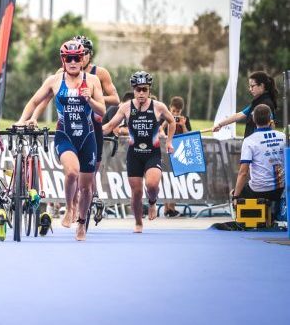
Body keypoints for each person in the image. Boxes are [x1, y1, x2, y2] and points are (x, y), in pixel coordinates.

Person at [16, 40, 106, 241]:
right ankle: (70, 206)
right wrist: (22, 120)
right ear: (63, 60)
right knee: (72, 172)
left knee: (86, 187)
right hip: (64, 135)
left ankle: (82, 223)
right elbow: (34, 101)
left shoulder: (92, 81)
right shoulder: (54, 81)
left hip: (87, 137)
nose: (73, 62)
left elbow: (102, 111)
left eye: (77, 58)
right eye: (69, 58)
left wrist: (90, 99)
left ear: (82, 59)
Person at [102, 71, 176, 233]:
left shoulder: (158, 107)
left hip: (152, 152)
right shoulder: (126, 107)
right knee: (136, 192)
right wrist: (93, 132)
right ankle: (138, 222)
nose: (141, 93)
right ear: (133, 90)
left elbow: (172, 121)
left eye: (144, 89)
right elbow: (109, 126)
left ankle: (152, 201)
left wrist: (169, 141)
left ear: (149, 90)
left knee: (152, 184)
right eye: (138, 90)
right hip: (134, 154)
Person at [231, 104, 285, 209]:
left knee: (233, 192)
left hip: (258, 190)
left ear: (253, 119)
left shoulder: (249, 141)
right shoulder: (283, 137)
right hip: (280, 189)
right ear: (271, 119)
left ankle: (243, 223)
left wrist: (235, 197)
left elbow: (243, 173)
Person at [213, 71, 278, 138]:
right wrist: (220, 124)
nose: (250, 89)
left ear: (261, 85)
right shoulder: (258, 102)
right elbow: (239, 115)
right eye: (249, 86)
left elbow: (271, 125)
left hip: (257, 145)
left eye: (252, 86)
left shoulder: (266, 104)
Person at [159, 96, 191, 218]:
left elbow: (188, 134)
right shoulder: (165, 116)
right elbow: (160, 129)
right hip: (165, 152)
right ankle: (167, 208)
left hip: (178, 152)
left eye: (178, 112)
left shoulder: (184, 119)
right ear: (169, 108)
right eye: (173, 111)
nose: (175, 114)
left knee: (175, 180)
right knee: (166, 179)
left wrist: (182, 125)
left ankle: (172, 208)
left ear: (181, 111)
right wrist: (168, 120)